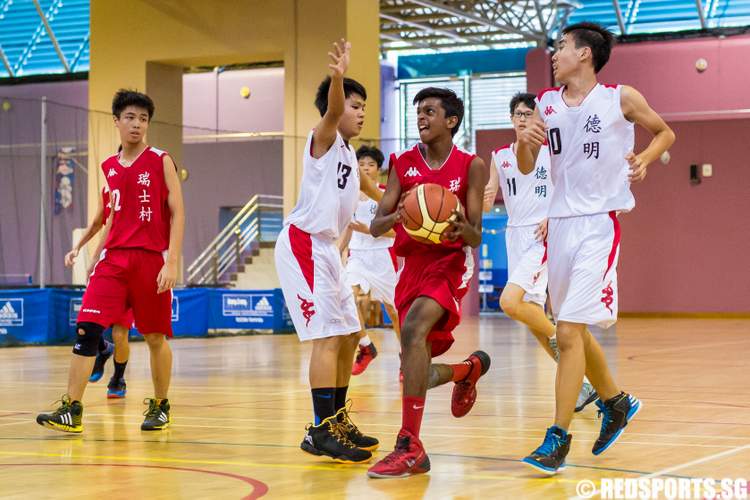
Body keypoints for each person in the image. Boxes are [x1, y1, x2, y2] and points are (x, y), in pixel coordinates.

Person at [516, 22, 675, 474]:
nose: (554, 54)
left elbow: (664, 132)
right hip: (560, 227)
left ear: (584, 54)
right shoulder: (545, 103)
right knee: (574, 332)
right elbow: (530, 166)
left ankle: (557, 439)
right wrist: (527, 145)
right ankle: (616, 403)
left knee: (566, 333)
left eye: (562, 47)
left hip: (598, 227)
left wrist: (642, 160)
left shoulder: (620, 97)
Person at [36, 89, 185, 432]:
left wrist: (172, 261)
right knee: (87, 328)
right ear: (116, 122)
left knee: (154, 337)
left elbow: (178, 212)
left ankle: (161, 405)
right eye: (130, 117)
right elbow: (111, 217)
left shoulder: (161, 159)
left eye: (143, 119)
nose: (137, 124)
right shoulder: (109, 167)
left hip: (150, 259)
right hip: (114, 260)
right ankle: (72, 408)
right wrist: (93, 254)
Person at [367, 87, 491, 478]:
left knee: (416, 330)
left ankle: (409, 445)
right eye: (418, 111)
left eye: (430, 111)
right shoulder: (402, 163)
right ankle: (465, 371)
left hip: (450, 262)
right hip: (410, 263)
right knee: (413, 362)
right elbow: (375, 226)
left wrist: (458, 227)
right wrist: (400, 215)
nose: (421, 117)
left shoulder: (471, 165)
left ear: (451, 121)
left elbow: (475, 235)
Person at [274, 39, 384, 464]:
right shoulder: (322, 138)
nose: (360, 112)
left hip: (327, 251)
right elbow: (334, 111)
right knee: (327, 336)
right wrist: (338, 78)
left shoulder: (350, 155)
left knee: (351, 334)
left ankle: (336, 419)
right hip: (304, 243)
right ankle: (320, 430)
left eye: (363, 107)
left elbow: (377, 194)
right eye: (355, 105)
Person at [483, 92, 598, 412]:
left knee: (510, 302)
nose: (523, 119)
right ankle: (584, 385)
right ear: (511, 119)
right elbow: (489, 196)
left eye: (529, 114)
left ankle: (574, 352)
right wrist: (480, 199)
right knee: (534, 322)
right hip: (514, 235)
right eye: (518, 114)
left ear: (539, 119)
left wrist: (552, 216)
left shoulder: (552, 152)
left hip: (542, 234)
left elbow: (568, 188)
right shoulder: (499, 155)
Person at [338, 145, 400, 376]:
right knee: (347, 298)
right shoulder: (350, 194)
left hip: (383, 256)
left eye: (370, 165)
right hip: (358, 256)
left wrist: (369, 230)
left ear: (378, 170)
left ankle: (405, 359)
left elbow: (397, 232)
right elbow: (349, 228)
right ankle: (366, 346)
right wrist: (339, 251)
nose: (365, 168)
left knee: (394, 312)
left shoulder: (386, 195)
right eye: (361, 164)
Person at [65, 182, 131, 398]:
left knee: (120, 333)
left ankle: (118, 378)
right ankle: (103, 347)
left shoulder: (146, 185)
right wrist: (78, 248)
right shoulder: (109, 187)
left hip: (134, 267)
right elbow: (98, 224)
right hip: (109, 264)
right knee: (87, 326)